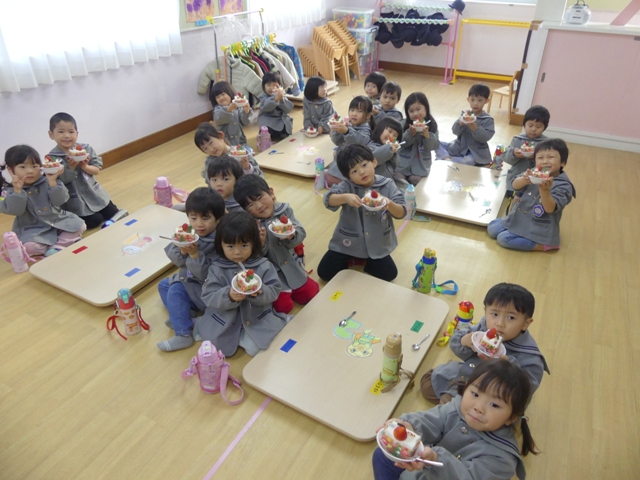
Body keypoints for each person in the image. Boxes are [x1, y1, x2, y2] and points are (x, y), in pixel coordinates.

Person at [373, 359, 536, 480]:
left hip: (439, 471)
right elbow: (430, 420)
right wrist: (408, 426)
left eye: (494, 404)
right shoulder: (457, 409)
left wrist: (435, 459)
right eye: (475, 394)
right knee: (382, 455)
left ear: (511, 418)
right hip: (423, 470)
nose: (479, 407)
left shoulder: (502, 460)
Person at [421, 283, 549, 404]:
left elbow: (525, 390)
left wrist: (506, 368)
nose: (499, 323)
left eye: (511, 317)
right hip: (469, 375)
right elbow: (457, 344)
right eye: (494, 314)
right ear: (486, 312)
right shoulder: (484, 328)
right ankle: (457, 405)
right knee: (428, 384)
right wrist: (465, 341)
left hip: (492, 397)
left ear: (526, 323)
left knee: (470, 408)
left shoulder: (530, 357)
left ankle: (459, 408)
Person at [198, 211, 288, 357]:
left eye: (244, 245)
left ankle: (244, 336)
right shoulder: (216, 268)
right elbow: (208, 296)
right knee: (217, 346)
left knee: (256, 349)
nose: (237, 252)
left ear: (254, 243)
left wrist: (260, 292)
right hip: (224, 320)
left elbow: (274, 290)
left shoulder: (263, 265)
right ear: (221, 245)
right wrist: (229, 295)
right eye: (230, 246)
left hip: (257, 318)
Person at [317, 144, 406, 282]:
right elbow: (328, 199)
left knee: (389, 274)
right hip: (347, 243)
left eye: (364, 165)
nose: (361, 172)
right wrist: (345, 197)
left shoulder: (387, 184)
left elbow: (401, 212)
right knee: (324, 272)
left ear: (374, 162)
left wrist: (388, 204)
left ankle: (364, 261)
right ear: (348, 176)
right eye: (354, 171)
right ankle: (354, 258)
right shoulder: (347, 185)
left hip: (376, 245)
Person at [234, 175, 319, 314]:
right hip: (272, 274)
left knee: (312, 293)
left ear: (271, 193)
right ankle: (282, 291)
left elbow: (301, 233)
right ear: (245, 210)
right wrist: (260, 244)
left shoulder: (285, 210)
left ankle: (296, 286)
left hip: (292, 266)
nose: (259, 206)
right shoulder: (250, 225)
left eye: (260, 197)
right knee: (283, 307)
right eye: (250, 205)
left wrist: (292, 235)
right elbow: (253, 258)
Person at [157, 187, 226, 352]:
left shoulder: (219, 242)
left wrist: (194, 255)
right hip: (189, 279)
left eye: (206, 218)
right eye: (193, 218)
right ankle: (184, 315)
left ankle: (183, 333)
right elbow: (178, 262)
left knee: (175, 290)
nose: (199, 224)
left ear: (218, 219)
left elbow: (205, 276)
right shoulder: (189, 233)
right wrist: (181, 250)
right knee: (163, 285)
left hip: (204, 289)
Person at [488, 138, 576, 251]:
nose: (545, 161)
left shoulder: (563, 185)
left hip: (537, 226)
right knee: (492, 228)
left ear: (563, 162)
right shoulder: (534, 172)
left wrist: (544, 191)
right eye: (540, 158)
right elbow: (514, 185)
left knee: (503, 239)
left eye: (550, 157)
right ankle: (515, 229)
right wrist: (524, 180)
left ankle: (546, 245)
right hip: (520, 217)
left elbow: (550, 209)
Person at [0, 145, 85, 257]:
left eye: (34, 166)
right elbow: (16, 211)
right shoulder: (8, 191)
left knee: (80, 225)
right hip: (32, 229)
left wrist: (53, 182)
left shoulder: (47, 181)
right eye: (22, 167)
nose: (30, 171)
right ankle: (65, 243)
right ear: (10, 170)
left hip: (58, 220)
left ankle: (57, 247)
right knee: (29, 248)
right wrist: (17, 191)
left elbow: (60, 200)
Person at [48, 112, 126, 229]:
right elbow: (61, 181)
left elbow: (96, 170)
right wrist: (71, 168)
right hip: (76, 202)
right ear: (51, 134)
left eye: (71, 131)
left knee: (113, 212)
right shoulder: (52, 159)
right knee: (94, 221)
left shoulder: (85, 149)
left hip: (95, 194)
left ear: (77, 133)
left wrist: (84, 166)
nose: (67, 136)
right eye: (61, 132)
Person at [436, 84, 495, 166]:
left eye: (480, 100)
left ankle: (447, 159)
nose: (475, 103)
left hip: (475, 152)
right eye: (472, 100)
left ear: (487, 101)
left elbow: (485, 137)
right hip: (459, 147)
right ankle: (446, 158)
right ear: (468, 100)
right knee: (436, 143)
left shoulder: (488, 119)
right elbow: (455, 131)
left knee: (469, 161)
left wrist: (476, 129)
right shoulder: (465, 114)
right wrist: (460, 123)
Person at [325, 95, 375, 187]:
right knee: (327, 173)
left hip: (352, 167)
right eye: (352, 110)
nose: (354, 114)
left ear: (368, 115)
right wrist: (336, 130)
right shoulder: (349, 125)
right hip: (341, 162)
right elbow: (337, 141)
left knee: (328, 175)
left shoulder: (365, 130)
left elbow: (359, 141)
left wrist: (347, 131)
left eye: (359, 111)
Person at [503, 105, 550, 197]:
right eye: (530, 125)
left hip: (535, 181)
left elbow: (549, 165)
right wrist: (514, 154)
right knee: (510, 196)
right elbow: (506, 158)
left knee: (530, 197)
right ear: (524, 124)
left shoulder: (546, 143)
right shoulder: (518, 139)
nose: (533, 129)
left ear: (545, 127)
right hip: (516, 177)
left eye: (538, 126)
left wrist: (538, 158)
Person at [194, 122, 262, 184]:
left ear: (220, 136)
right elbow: (209, 181)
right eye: (205, 148)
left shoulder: (240, 152)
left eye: (211, 143)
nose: (211, 149)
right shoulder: (209, 161)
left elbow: (257, 173)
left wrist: (247, 167)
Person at [396, 92, 439, 185]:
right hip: (403, 164)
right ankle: (404, 186)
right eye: (411, 111)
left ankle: (409, 185)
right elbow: (400, 144)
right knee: (397, 177)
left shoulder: (432, 125)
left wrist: (427, 136)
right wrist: (410, 135)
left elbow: (434, 146)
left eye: (418, 109)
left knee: (417, 180)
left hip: (421, 166)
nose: (415, 113)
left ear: (426, 108)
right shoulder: (403, 124)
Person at [211, 80, 252, 150]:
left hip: (240, 141)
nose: (221, 98)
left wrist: (246, 111)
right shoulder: (217, 109)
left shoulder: (238, 107)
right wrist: (228, 110)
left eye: (223, 94)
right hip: (226, 143)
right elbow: (218, 119)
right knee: (229, 154)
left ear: (229, 93)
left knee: (249, 152)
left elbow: (245, 122)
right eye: (218, 97)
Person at [258, 72, 294, 142]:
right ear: (264, 86)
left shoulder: (281, 96)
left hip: (280, 119)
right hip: (268, 119)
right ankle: (265, 136)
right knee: (266, 128)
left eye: (275, 85)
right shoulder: (263, 97)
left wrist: (281, 99)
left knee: (286, 124)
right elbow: (265, 107)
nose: (272, 88)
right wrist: (275, 99)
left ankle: (281, 134)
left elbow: (288, 109)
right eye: (269, 85)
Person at [368, 117, 404, 184]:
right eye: (389, 131)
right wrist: (390, 148)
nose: (391, 136)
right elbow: (375, 157)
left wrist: (394, 153)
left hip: (388, 180)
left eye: (395, 135)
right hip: (377, 183)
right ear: (380, 129)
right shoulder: (371, 146)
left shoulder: (391, 149)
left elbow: (396, 164)